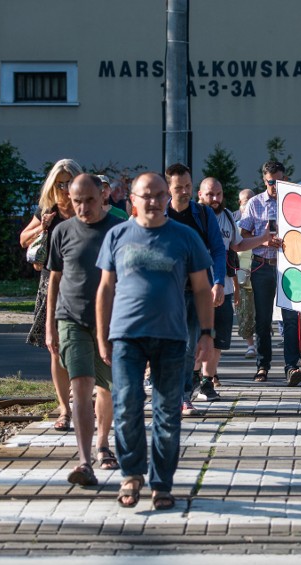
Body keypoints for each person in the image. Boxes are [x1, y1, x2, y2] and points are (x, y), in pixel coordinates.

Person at [96, 172, 213, 510]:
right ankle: (131, 474)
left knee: (166, 412)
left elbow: (203, 289)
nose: (154, 201)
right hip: (126, 336)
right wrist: (103, 335)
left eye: (160, 194)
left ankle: (161, 483)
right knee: (126, 404)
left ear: (167, 198)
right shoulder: (117, 235)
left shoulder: (185, 236)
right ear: (131, 198)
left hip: (172, 336)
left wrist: (206, 333)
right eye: (146, 195)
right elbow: (105, 289)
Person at [45, 174, 124, 486]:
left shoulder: (118, 230)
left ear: (102, 195)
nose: (83, 207)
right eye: (77, 201)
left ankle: (103, 444)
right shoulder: (62, 231)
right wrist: (50, 325)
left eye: (89, 200)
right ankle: (84, 461)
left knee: (108, 388)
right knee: (80, 385)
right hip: (71, 318)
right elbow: (54, 279)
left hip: (111, 322)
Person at [20, 158, 81, 432]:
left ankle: (79, 400)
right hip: (52, 283)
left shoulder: (87, 206)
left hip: (84, 282)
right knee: (55, 349)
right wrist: (42, 226)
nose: (65, 188)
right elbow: (23, 239)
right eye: (60, 183)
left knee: (83, 347)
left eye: (69, 182)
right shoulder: (48, 210)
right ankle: (64, 409)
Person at [196, 177, 272, 386]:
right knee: (197, 338)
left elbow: (237, 245)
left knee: (219, 340)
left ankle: (207, 380)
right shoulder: (194, 216)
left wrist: (262, 238)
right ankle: (192, 381)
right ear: (200, 194)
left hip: (224, 288)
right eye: (210, 194)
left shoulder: (228, 216)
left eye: (218, 194)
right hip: (198, 287)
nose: (215, 198)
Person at [164, 164, 226, 413]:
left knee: (191, 346)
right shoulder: (161, 213)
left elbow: (219, 249)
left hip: (196, 291)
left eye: (189, 186)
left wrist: (219, 281)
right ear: (169, 187)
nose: (185, 191)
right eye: (179, 187)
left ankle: (183, 396)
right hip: (165, 292)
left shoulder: (202, 214)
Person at [238, 160, 301, 386]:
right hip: (263, 265)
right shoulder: (255, 203)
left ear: (285, 179)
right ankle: (263, 365)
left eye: (279, 181)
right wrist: (264, 240)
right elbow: (242, 239)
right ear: (264, 180)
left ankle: (291, 366)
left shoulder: (295, 202)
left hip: (290, 267)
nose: (275, 186)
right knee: (263, 320)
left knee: (290, 318)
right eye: (270, 182)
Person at [235, 189, 257, 357]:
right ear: (239, 204)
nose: (248, 203)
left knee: (261, 313)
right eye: (245, 200)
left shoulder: (261, 224)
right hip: (241, 276)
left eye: (251, 199)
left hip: (260, 272)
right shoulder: (235, 226)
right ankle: (250, 344)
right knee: (244, 311)